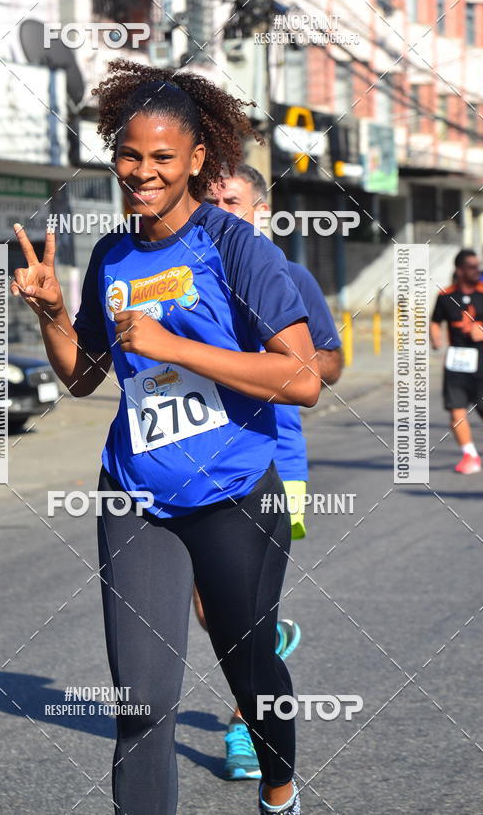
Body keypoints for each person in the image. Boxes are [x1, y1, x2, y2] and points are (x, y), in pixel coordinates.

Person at [11, 59, 321, 815]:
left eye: (160, 158)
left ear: (196, 161)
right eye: (129, 155)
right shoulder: (113, 254)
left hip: (235, 494)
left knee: (249, 669)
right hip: (136, 494)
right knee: (142, 706)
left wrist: (175, 345)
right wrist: (51, 310)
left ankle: (279, 790)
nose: (141, 173)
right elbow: (83, 377)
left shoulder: (237, 249)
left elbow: (304, 377)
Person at [199, 164, 343, 780]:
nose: (219, 209)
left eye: (231, 199)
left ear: (261, 210)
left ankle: (241, 724)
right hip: (193, 461)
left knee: (243, 613)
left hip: (272, 463)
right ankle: (268, 644)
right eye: (210, 199)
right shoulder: (181, 277)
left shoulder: (288, 275)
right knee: (212, 606)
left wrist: (272, 360)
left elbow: (330, 366)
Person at [430, 248, 483, 473]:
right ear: (459, 270)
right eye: (471, 267)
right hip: (455, 361)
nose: (476, 271)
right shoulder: (445, 296)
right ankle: (470, 455)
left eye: (477, 266)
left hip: (482, 360)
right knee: (455, 408)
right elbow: (435, 321)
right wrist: (435, 338)